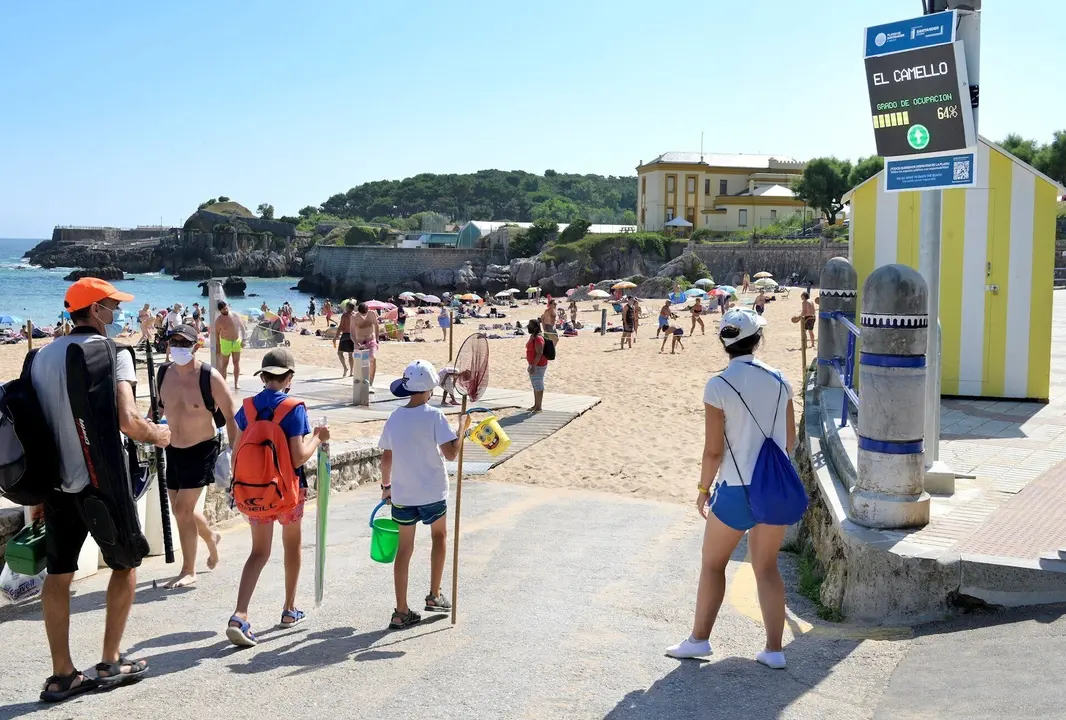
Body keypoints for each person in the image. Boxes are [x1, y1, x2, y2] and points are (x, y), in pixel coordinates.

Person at [30, 278, 170, 702]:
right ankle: (110, 660)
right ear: (94, 311)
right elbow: (128, 420)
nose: (116, 314)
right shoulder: (114, 354)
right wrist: (158, 435)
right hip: (103, 481)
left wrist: (37, 495)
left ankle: (62, 674)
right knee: (125, 564)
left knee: (58, 575)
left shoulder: (39, 359)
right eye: (111, 306)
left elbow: (36, 429)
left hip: (55, 485)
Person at [666, 308, 796, 668]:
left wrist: (702, 489)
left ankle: (699, 641)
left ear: (725, 343)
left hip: (736, 487)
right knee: (766, 566)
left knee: (712, 564)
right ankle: (774, 650)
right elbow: (790, 439)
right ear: (758, 339)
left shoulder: (718, 385)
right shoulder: (781, 380)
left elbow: (713, 450)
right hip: (772, 487)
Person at [225, 349, 330, 647]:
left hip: (255, 490)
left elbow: (236, 450)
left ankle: (239, 615)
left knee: (258, 552)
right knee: (291, 546)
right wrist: (318, 437)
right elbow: (298, 457)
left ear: (263, 376)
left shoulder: (247, 407)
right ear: (289, 378)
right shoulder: (294, 407)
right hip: (288, 491)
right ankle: (288, 610)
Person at [378, 360, 470, 629]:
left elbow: (386, 458)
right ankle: (435, 593)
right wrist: (462, 430)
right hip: (432, 492)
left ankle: (401, 610)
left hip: (403, 494)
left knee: (404, 550)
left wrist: (386, 487)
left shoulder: (395, 417)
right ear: (430, 389)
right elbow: (451, 453)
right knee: (439, 537)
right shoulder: (434, 416)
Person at [158, 324, 238, 589]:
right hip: (173, 448)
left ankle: (188, 570)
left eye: (185, 342)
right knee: (182, 511)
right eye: (174, 341)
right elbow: (157, 409)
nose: (179, 346)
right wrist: (147, 429)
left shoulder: (209, 376)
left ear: (196, 345)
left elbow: (230, 414)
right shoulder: (163, 373)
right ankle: (211, 537)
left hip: (202, 448)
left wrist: (234, 451)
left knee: (183, 509)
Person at [214, 300, 246, 390]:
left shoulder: (235, 315)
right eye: (223, 309)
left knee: (236, 362)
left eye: (226, 308)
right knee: (224, 364)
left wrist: (244, 339)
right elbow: (216, 334)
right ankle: (224, 384)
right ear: (220, 310)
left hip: (236, 341)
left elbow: (242, 327)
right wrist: (218, 346)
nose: (226, 310)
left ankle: (236, 383)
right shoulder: (219, 320)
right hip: (225, 342)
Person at [353, 302, 381, 389]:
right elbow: (352, 332)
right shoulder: (354, 317)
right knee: (359, 362)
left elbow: (376, 325)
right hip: (359, 341)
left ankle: (371, 382)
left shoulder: (372, 314)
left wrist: (377, 338)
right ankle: (359, 380)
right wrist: (355, 343)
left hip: (371, 339)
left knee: (373, 359)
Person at [526, 319, 548, 412]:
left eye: (530, 325)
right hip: (533, 364)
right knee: (535, 385)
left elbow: (539, 353)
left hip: (538, 365)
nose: (528, 326)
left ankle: (539, 407)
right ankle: (536, 405)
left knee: (538, 385)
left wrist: (533, 366)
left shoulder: (538, 338)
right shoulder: (533, 336)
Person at [337, 301, 356, 376]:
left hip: (345, 335)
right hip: (353, 335)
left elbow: (341, 326)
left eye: (346, 306)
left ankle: (345, 368)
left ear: (348, 307)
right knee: (350, 354)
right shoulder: (355, 315)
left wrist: (336, 337)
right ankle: (351, 371)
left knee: (340, 353)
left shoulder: (345, 315)